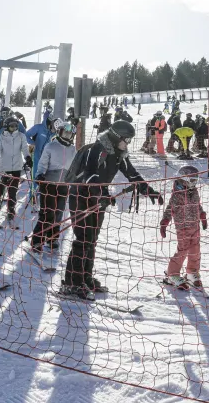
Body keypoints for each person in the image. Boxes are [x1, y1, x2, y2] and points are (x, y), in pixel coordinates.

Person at [59, 120, 162, 300]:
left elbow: (132, 173)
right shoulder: (97, 149)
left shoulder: (118, 153)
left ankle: (86, 277)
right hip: (81, 196)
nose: (127, 143)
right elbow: (91, 174)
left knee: (92, 239)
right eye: (126, 139)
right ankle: (72, 283)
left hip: (98, 199)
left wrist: (148, 191)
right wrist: (101, 194)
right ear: (116, 137)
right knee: (83, 239)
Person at [29, 119, 78, 266]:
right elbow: (43, 162)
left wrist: (75, 179)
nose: (68, 136)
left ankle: (52, 238)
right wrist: (40, 175)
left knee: (58, 212)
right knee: (47, 213)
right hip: (49, 183)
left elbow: (74, 166)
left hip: (64, 184)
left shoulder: (72, 149)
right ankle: (37, 241)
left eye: (70, 134)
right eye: (65, 133)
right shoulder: (51, 146)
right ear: (59, 132)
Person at [160, 164, 208, 290]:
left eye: (196, 180)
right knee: (183, 250)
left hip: (195, 225)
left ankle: (192, 272)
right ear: (185, 179)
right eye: (192, 180)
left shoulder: (194, 191)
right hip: (183, 227)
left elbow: (198, 205)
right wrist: (165, 222)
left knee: (195, 249)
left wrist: (202, 215)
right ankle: (172, 274)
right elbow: (170, 208)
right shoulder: (178, 194)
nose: (194, 183)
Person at [0, 115, 32, 225]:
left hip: (16, 168)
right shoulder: (1, 137)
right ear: (6, 127)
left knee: (12, 192)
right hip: (3, 168)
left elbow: (24, 149)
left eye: (16, 126)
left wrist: (27, 157)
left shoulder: (21, 136)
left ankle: (11, 212)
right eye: (12, 126)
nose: (14, 128)